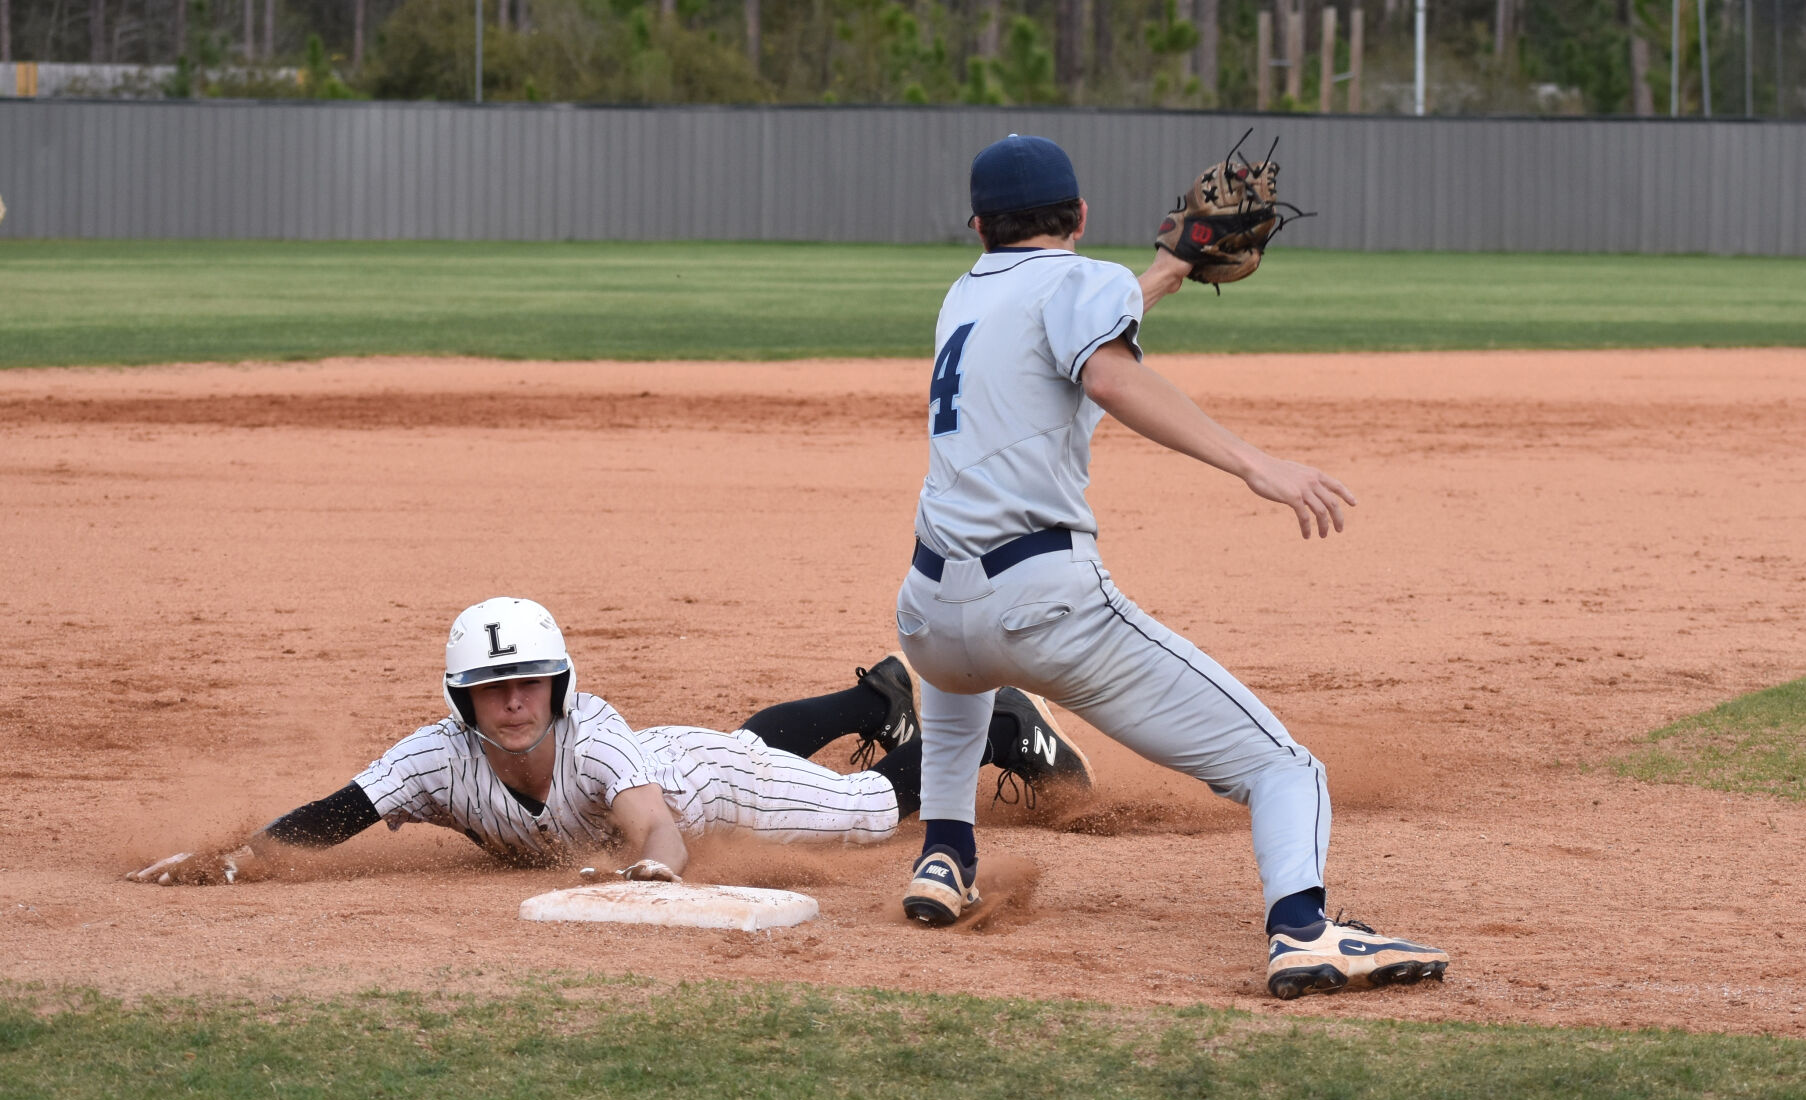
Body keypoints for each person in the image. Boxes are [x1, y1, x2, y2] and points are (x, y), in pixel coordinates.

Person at [894, 135, 1448, 1000]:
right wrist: (1254, 464)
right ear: (1080, 216)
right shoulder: (1085, 284)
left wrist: (1167, 270)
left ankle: (944, 855)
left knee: (962, 679)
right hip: (1044, 609)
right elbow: (1107, 372)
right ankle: (1303, 930)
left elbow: (1072, 321)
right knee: (1285, 769)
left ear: (976, 227)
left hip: (928, 614)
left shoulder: (964, 298)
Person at [126, 596, 1091, 886]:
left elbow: (653, 826)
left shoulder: (594, 745)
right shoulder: (434, 759)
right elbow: (336, 815)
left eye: (529, 686)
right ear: (462, 700)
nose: (513, 705)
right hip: (680, 752)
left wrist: (656, 872)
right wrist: (234, 861)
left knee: (870, 813)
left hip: (694, 786)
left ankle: (999, 723)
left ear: (559, 686)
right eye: (491, 691)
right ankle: (873, 704)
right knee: (743, 741)